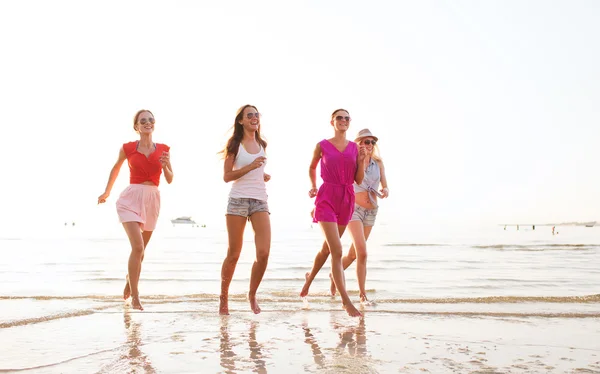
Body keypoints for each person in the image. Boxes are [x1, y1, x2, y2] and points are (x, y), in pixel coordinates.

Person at [97, 109, 173, 311]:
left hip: (152, 199)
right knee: (138, 247)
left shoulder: (164, 149)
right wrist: (106, 192)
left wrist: (166, 166)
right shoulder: (128, 148)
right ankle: (136, 296)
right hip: (130, 199)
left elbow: (170, 178)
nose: (147, 123)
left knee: (141, 251)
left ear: (154, 124)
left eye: (150, 120)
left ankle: (129, 280)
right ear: (136, 127)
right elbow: (116, 168)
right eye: (143, 121)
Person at [301, 109, 366, 317]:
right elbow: (311, 167)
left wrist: (363, 161)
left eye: (347, 118)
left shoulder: (355, 148)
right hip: (327, 196)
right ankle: (346, 301)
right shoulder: (322, 145)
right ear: (332, 122)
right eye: (340, 117)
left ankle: (309, 278)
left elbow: (358, 180)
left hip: (346, 199)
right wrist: (312, 185)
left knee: (328, 249)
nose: (344, 121)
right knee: (337, 250)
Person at [218, 104, 271, 315]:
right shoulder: (234, 144)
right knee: (234, 253)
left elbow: (257, 169)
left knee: (264, 253)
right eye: (250, 115)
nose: (254, 118)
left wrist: (262, 174)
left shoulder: (262, 143)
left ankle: (252, 294)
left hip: (260, 201)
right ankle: (223, 297)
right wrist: (250, 168)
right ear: (241, 120)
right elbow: (227, 176)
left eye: (256, 114)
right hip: (238, 201)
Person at [329, 128, 388, 303]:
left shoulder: (378, 163)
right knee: (363, 252)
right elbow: (352, 182)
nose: (369, 145)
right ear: (358, 144)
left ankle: (334, 275)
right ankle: (362, 295)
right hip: (353, 209)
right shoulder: (351, 161)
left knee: (354, 254)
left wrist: (385, 189)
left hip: (371, 211)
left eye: (372, 142)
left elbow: (384, 183)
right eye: (365, 142)